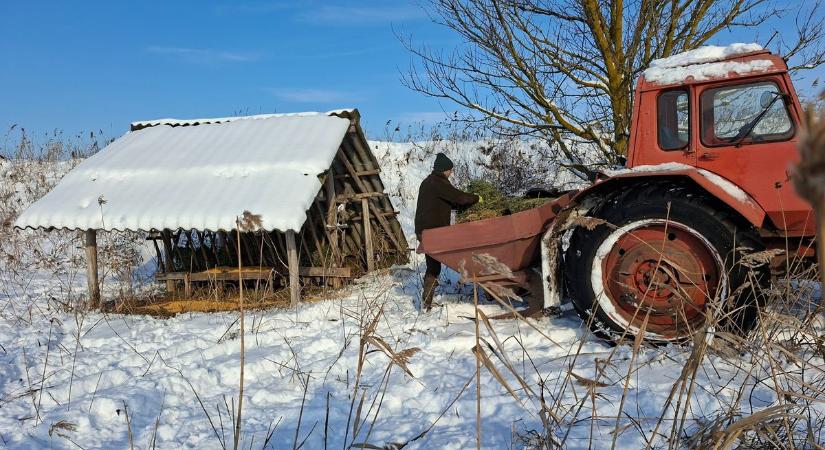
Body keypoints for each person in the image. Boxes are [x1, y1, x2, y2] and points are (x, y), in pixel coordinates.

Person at [414, 153, 481, 311]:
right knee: (437, 264)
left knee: (433, 266)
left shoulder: (427, 182)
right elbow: (458, 197)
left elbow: (443, 202)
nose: (451, 173)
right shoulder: (439, 183)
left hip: (424, 231)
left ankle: (426, 302)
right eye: (450, 170)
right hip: (433, 232)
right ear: (444, 170)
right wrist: (476, 198)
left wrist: (459, 206)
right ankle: (428, 300)